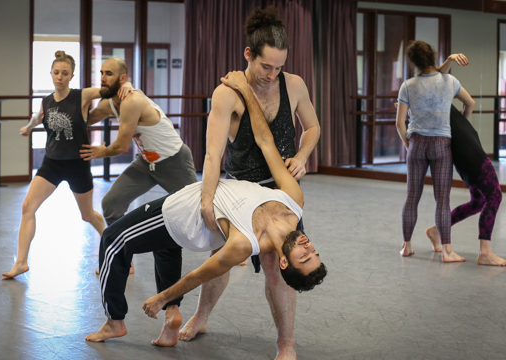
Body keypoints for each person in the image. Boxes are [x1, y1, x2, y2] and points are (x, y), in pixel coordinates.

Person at [85, 71, 327, 353]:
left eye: (305, 257)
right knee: (165, 249)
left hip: (177, 213)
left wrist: (160, 297)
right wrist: (247, 93)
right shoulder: (293, 202)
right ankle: (172, 317)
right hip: (187, 214)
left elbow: (197, 276)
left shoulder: (242, 243)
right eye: (315, 253)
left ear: (285, 262)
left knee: (113, 239)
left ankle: (115, 321)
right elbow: (265, 141)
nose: (310, 247)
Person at [183, 7, 320, 358]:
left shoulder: (295, 84)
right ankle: (201, 315)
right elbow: (212, 155)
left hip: (280, 191)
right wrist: (207, 199)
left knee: (278, 266)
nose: (272, 75)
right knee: (221, 258)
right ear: (249, 54)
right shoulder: (228, 93)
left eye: (278, 67)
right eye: (265, 67)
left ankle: (285, 343)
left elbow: (313, 127)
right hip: (240, 191)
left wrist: (302, 156)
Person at [2, 51, 132, 280]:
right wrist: (29, 127)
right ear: (51, 74)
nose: (59, 77)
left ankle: (121, 256)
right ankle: (21, 262)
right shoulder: (46, 101)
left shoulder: (81, 96)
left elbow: (109, 90)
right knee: (27, 207)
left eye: (64, 73)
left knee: (88, 216)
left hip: (77, 164)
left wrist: (127, 85)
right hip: (51, 163)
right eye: (56, 73)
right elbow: (37, 116)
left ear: (71, 75)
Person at [79, 57, 198, 273]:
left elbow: (122, 146)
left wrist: (101, 152)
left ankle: (227, 247)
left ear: (123, 78)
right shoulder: (109, 103)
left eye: (109, 74)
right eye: (102, 73)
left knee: (199, 208)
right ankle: (125, 259)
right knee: (111, 204)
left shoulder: (132, 101)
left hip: (174, 161)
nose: (103, 78)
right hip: (146, 163)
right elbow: (83, 120)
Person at [423, 55, 506, 266]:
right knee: (494, 196)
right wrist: (450, 59)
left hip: (464, 149)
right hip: (469, 151)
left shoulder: (428, 96)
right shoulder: (431, 89)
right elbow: (467, 101)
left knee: (479, 201)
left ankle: (437, 230)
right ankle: (485, 252)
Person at [395, 41, 476, 263]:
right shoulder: (450, 81)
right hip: (442, 144)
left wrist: (408, 145)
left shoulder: (408, 85)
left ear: (413, 62)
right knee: (443, 199)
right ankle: (447, 252)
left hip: (417, 144)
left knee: (412, 197)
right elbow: (470, 103)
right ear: (433, 57)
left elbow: (400, 123)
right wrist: (459, 127)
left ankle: (406, 246)